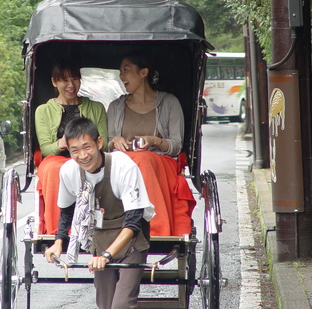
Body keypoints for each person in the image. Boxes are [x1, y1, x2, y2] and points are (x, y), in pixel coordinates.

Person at [44, 117, 154, 309]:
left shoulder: (123, 166)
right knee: (104, 304)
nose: (82, 155)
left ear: (99, 142)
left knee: (121, 304)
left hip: (132, 241)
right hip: (101, 238)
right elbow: (67, 211)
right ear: (68, 150)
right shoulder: (69, 171)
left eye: (87, 147)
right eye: (75, 150)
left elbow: (134, 222)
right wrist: (58, 242)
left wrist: (106, 256)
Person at [107, 51, 195, 236]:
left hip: (159, 163)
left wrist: (154, 141)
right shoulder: (115, 106)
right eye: (120, 71)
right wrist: (115, 141)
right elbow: (107, 142)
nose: (121, 76)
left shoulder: (169, 103)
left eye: (126, 70)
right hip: (123, 163)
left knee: (144, 160)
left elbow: (177, 145)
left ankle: (154, 227)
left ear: (143, 72)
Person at [35, 61, 108, 234]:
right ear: (54, 82)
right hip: (59, 158)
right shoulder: (43, 111)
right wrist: (60, 143)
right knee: (54, 169)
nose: (70, 85)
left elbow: (104, 140)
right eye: (64, 80)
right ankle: (58, 230)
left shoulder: (96, 108)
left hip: (91, 156)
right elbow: (45, 149)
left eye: (75, 79)